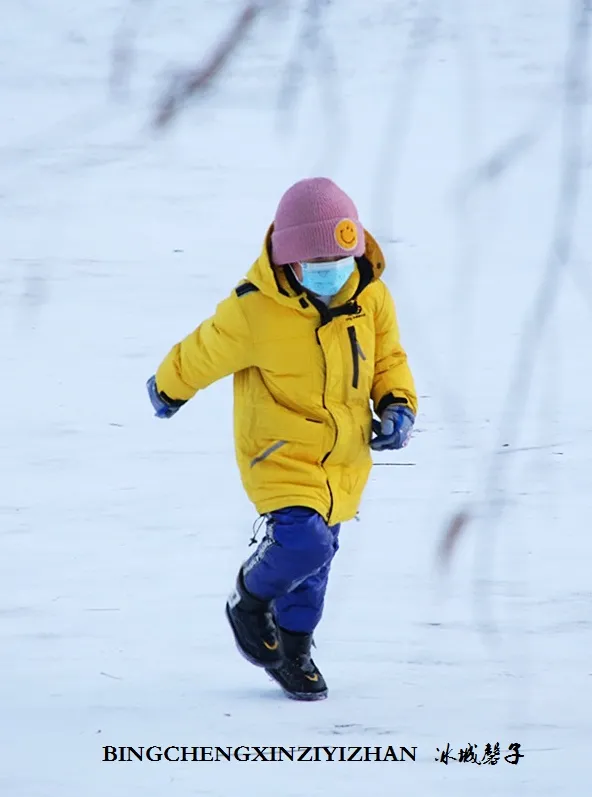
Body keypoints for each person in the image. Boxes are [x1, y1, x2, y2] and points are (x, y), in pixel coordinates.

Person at [146, 177, 417, 701]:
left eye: (338, 262)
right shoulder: (254, 310)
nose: (330, 275)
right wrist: (168, 387)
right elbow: (204, 349)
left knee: (317, 565)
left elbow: (390, 361)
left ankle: (295, 649)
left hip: (344, 460)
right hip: (279, 454)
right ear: (288, 262)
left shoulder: (372, 297)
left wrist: (398, 405)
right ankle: (247, 601)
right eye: (316, 267)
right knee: (303, 541)